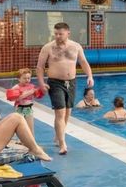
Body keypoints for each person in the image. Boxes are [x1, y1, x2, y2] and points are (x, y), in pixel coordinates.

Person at [35, 22, 93, 156]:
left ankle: (58, 135)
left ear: (68, 33)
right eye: (55, 33)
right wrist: (41, 83)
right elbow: (40, 67)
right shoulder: (48, 47)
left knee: (67, 112)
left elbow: (83, 62)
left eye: (60, 34)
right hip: (55, 83)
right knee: (60, 113)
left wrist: (90, 76)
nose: (57, 36)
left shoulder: (76, 46)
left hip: (71, 82)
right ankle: (62, 144)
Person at [7, 67, 40, 135]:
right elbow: (14, 98)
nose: (27, 80)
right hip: (19, 108)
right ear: (19, 79)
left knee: (30, 126)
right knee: (19, 126)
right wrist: (28, 93)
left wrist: (38, 92)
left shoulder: (32, 87)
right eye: (24, 78)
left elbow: (37, 96)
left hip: (28, 108)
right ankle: (18, 138)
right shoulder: (16, 87)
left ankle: (32, 138)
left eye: (28, 78)